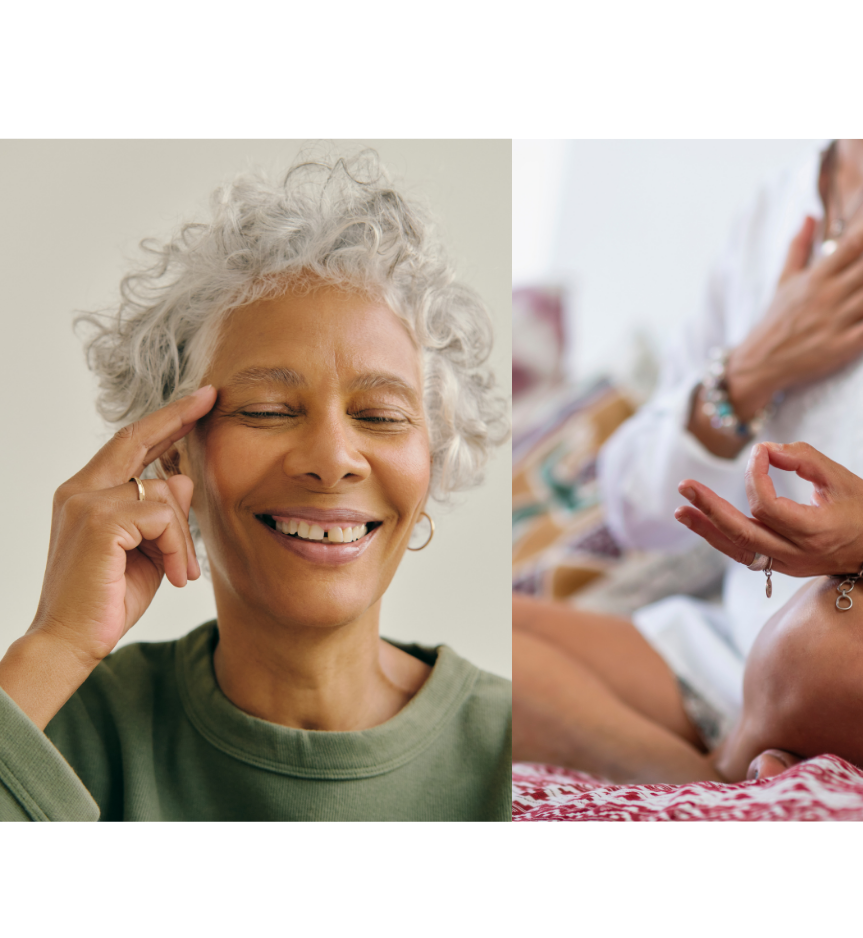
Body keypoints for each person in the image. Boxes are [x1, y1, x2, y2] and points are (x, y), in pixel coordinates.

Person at [0, 152, 510, 821]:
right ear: (174, 455)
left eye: (381, 417)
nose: (332, 460)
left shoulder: (513, 751)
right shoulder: (54, 729)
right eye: (267, 410)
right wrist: (57, 644)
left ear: (433, 458)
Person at [513, 138, 863, 784]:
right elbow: (636, 508)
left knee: (850, 630)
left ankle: (718, 770)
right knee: (472, 636)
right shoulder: (771, 210)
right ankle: (724, 758)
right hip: (737, 651)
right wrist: (749, 373)